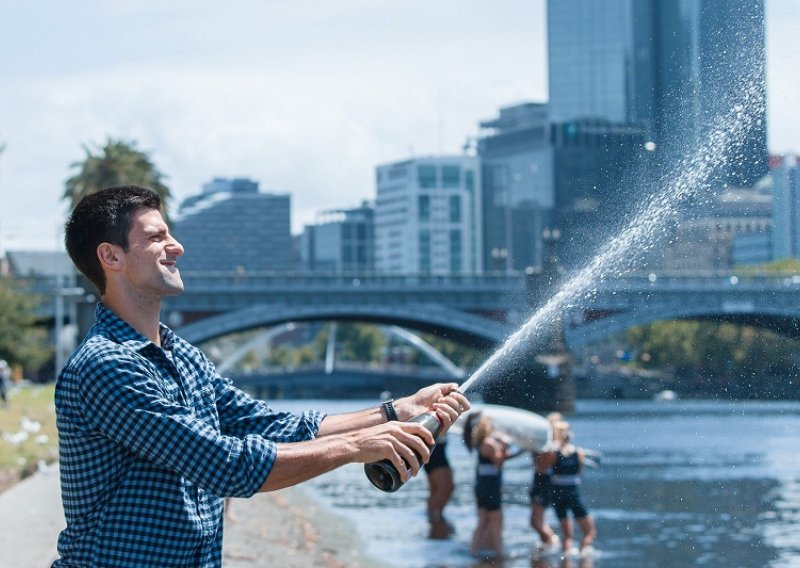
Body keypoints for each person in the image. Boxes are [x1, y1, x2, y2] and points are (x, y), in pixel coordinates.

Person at [53, 185, 470, 568]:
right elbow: (225, 464)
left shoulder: (183, 356)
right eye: (156, 237)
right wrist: (359, 446)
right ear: (111, 257)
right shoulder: (105, 366)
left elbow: (273, 426)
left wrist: (395, 411)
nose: (176, 246)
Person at [465, 412, 512, 560]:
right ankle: (499, 555)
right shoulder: (489, 443)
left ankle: (474, 551)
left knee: (483, 519)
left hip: (482, 485)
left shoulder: (480, 442)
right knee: (494, 519)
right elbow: (498, 462)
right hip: (491, 486)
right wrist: (505, 444)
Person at [549, 420, 597, 557]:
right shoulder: (578, 453)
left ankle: (566, 560)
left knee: (567, 536)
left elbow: (544, 471)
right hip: (572, 494)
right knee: (590, 532)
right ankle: (583, 556)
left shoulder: (552, 453)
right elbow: (579, 475)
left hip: (556, 493)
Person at [530, 412, 563, 553]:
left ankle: (553, 543)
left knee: (536, 521)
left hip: (543, 482)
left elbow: (541, 463)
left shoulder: (551, 447)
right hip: (541, 481)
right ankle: (547, 544)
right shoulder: (549, 445)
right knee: (536, 521)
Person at [423, 439, 455, 539]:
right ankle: (436, 519)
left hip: (433, 446)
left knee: (436, 489)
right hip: (434, 446)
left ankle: (433, 521)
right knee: (446, 487)